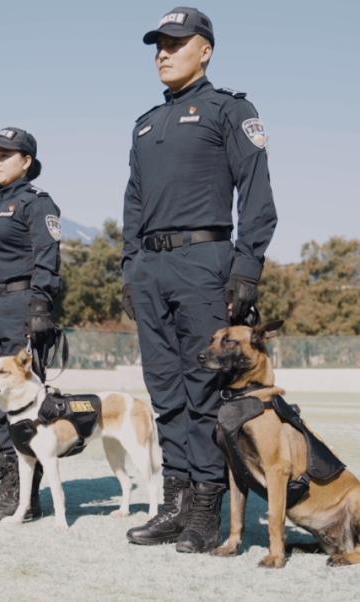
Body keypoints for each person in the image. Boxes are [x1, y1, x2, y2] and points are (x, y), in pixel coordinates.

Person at [121, 7, 278, 552]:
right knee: (164, 390)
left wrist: (247, 269)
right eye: (157, 45)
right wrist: (129, 265)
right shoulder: (145, 123)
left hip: (205, 261)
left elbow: (257, 194)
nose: (162, 53)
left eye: (175, 43)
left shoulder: (229, 110)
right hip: (151, 267)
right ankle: (176, 502)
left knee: (205, 388)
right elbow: (134, 200)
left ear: (204, 49)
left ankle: (208, 507)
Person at [0, 127, 63, 520]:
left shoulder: (37, 204)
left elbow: (48, 256)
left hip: (19, 305)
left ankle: (28, 493)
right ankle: (10, 478)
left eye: (5, 155)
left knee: (26, 402)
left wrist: (41, 305)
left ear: (26, 162)